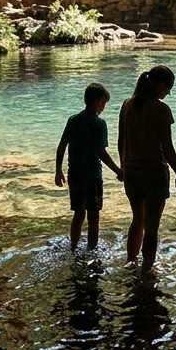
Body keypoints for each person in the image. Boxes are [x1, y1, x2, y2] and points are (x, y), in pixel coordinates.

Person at [117, 65, 176, 272]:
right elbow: (167, 146)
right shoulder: (161, 109)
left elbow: (121, 140)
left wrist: (123, 166)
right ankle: (147, 269)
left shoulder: (127, 105)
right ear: (160, 85)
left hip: (131, 170)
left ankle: (131, 262)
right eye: (168, 88)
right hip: (154, 172)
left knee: (137, 219)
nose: (168, 93)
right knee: (152, 227)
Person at [55, 82, 123, 251]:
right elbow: (101, 152)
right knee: (93, 215)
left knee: (78, 213)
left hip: (74, 174)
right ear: (99, 102)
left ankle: (73, 246)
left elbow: (62, 145)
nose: (104, 108)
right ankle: (92, 249)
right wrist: (118, 171)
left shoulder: (73, 120)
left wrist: (58, 170)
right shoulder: (99, 123)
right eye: (104, 104)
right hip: (92, 176)